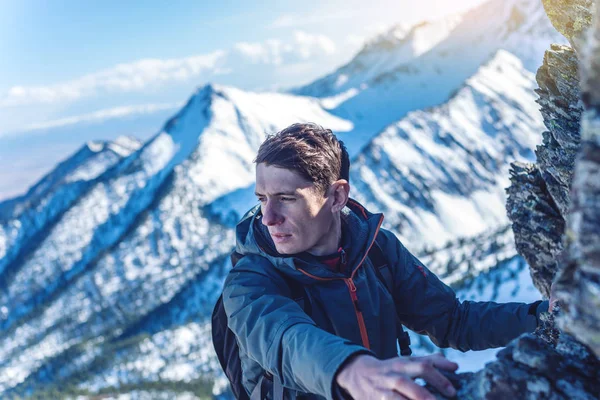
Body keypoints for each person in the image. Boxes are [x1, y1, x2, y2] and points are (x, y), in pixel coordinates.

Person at [222, 123, 549, 400]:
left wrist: (543, 318)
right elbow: (286, 340)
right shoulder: (249, 280)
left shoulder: (376, 250)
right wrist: (351, 369)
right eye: (262, 199)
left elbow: (452, 320)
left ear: (336, 196)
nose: (267, 218)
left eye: (286, 199)